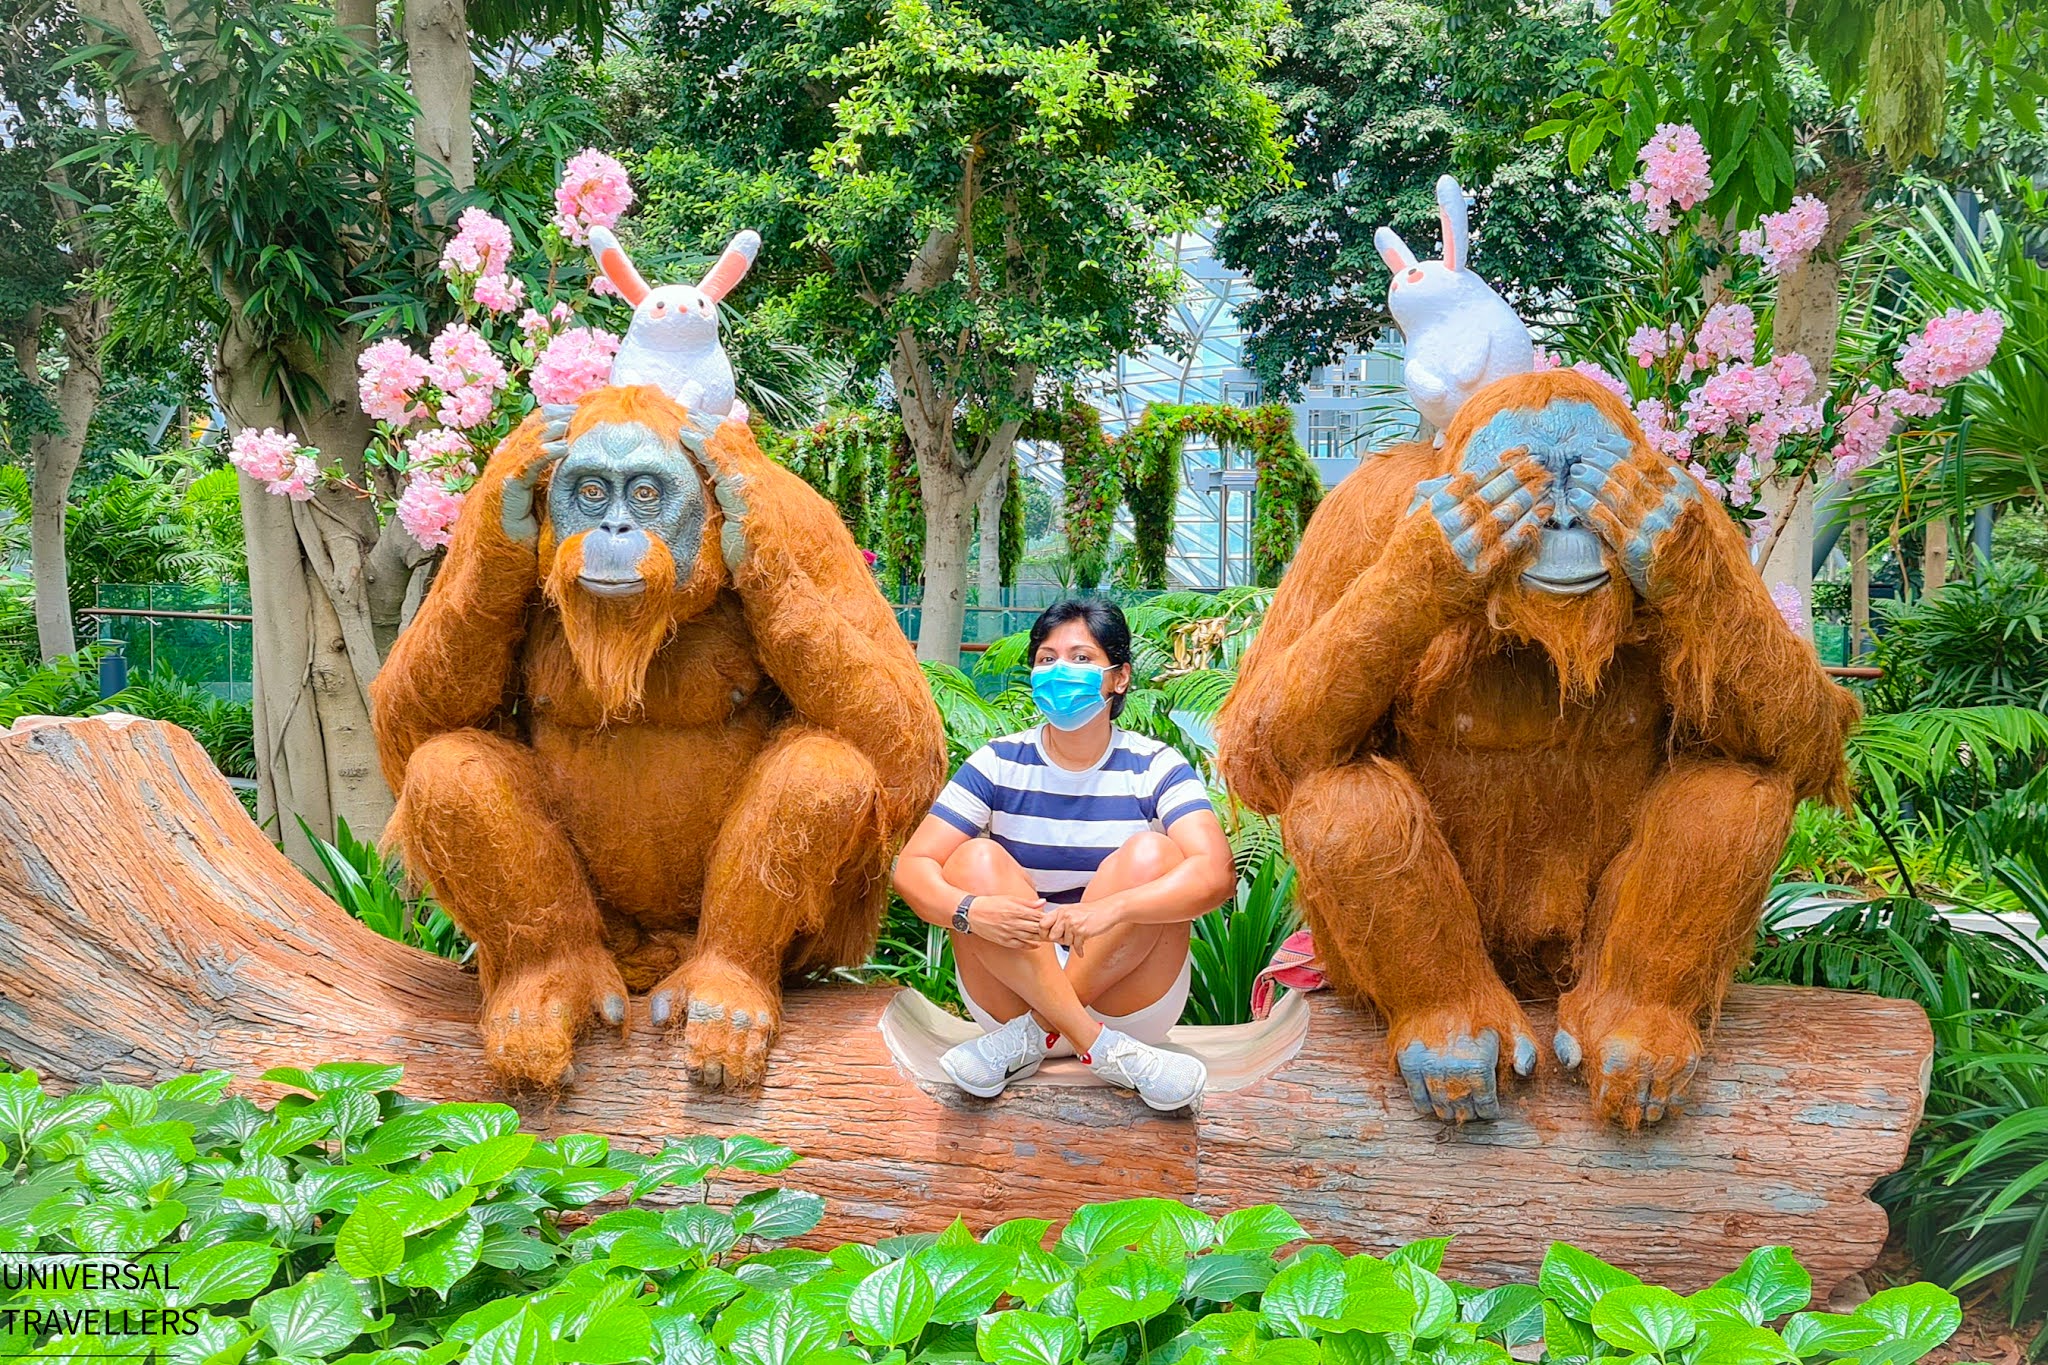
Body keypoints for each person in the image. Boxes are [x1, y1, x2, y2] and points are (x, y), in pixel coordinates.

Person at [891, 598, 1238, 1110]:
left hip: (1128, 991)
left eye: (1080, 658)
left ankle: (1036, 1036)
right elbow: (912, 868)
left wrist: (1110, 910)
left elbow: (1216, 874)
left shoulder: (1154, 766)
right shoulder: (997, 763)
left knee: (1153, 855)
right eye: (1047, 657)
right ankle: (1095, 1044)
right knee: (971, 861)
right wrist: (971, 911)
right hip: (1012, 984)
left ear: (1118, 677)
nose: (1059, 672)